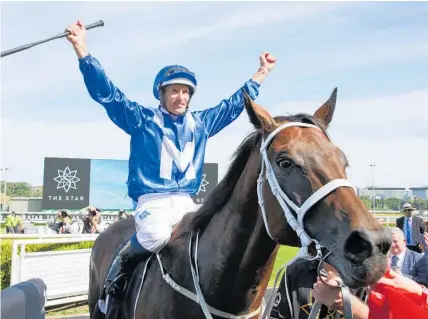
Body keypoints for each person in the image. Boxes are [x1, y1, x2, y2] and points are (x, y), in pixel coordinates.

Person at [65, 20, 277, 298]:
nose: (180, 96)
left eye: (186, 91)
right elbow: (107, 94)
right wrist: (82, 49)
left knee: (210, 240)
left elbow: (234, 104)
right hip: (151, 200)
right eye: (174, 90)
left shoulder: (201, 123)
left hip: (186, 201)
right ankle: (121, 264)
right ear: (162, 93)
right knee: (156, 237)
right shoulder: (141, 120)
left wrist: (261, 72)